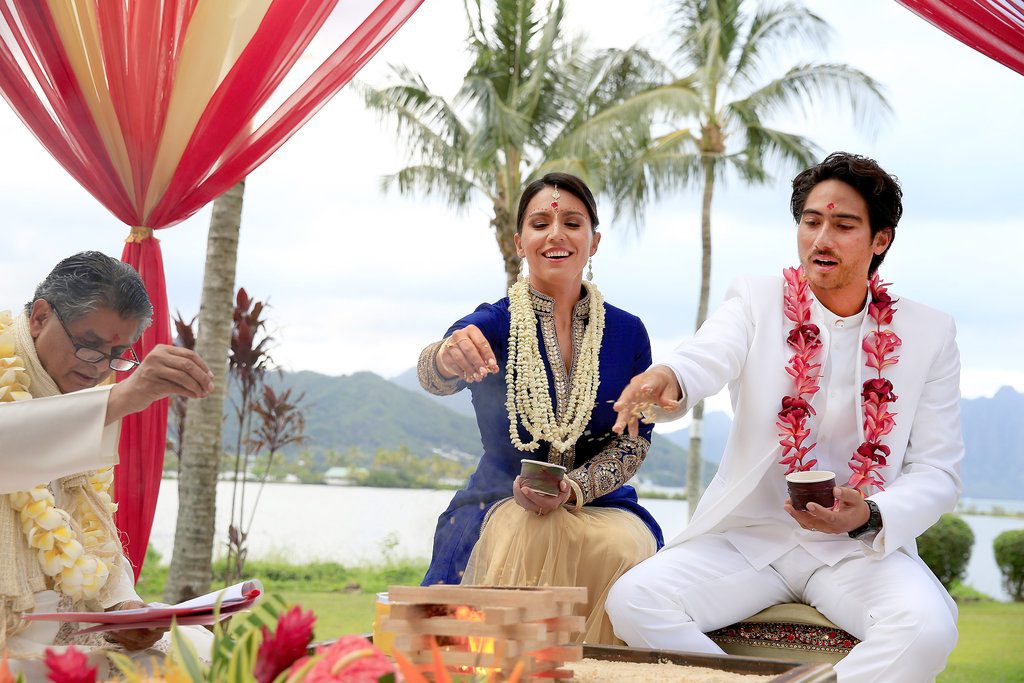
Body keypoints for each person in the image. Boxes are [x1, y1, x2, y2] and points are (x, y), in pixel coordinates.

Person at [605, 152, 963, 682]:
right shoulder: (757, 299)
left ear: (880, 240)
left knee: (927, 628)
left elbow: (938, 471)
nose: (822, 239)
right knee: (634, 600)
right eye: (811, 221)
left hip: (856, 549)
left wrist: (868, 515)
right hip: (751, 539)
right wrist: (671, 377)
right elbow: (708, 354)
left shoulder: (929, 333)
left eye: (843, 225)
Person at [416, 172, 664, 644]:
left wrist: (572, 490)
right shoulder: (494, 321)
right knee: (527, 534)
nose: (556, 234)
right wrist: (445, 356)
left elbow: (634, 441)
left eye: (572, 222)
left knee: (623, 550)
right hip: (500, 501)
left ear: (594, 242)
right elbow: (436, 373)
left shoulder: (629, 333)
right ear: (520, 242)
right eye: (540, 222)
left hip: (598, 504)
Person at [0, 251, 215, 677]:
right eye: (89, 344)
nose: (98, 367)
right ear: (41, 316)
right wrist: (119, 399)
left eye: (117, 352)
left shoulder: (88, 404)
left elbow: (89, 526)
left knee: (198, 647)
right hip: (12, 633)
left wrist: (125, 609)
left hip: (69, 629)